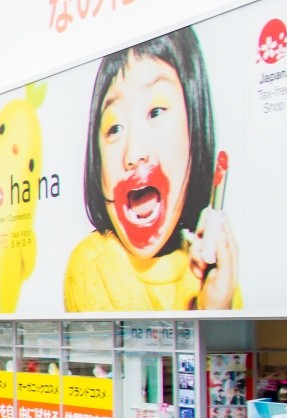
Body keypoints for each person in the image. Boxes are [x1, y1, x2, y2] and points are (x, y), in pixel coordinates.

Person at [64, 27, 240, 312]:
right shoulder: (92, 266)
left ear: (195, 125)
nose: (134, 154)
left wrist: (216, 303)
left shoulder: (217, 276)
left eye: (155, 112)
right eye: (114, 128)